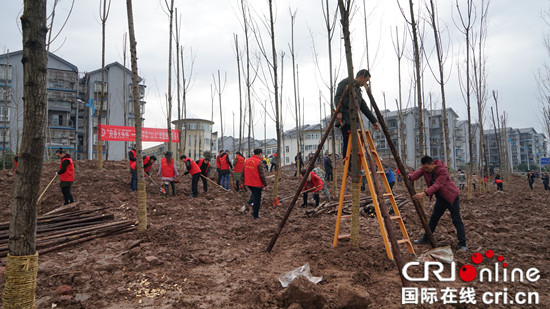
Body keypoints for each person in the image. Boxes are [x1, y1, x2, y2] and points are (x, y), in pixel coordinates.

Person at [409, 156, 467, 251]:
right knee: (434, 218)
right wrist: (409, 177)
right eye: (424, 168)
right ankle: (426, 238)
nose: (425, 170)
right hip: (441, 198)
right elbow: (416, 175)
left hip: (451, 197)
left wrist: (424, 193)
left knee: (456, 220)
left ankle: (462, 244)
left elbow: (437, 185)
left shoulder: (443, 170)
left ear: (432, 164)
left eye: (427, 167)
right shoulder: (425, 168)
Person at [334, 69, 380, 156]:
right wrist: (339, 111)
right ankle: (348, 166)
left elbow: (364, 107)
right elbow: (338, 97)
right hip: (346, 119)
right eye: (366, 81)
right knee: (348, 143)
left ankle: (355, 166)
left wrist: (374, 121)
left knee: (356, 145)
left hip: (355, 121)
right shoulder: (346, 82)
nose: (365, 84)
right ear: (361, 77)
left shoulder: (358, 90)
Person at [243, 148, 268, 220]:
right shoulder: (259, 162)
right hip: (257, 184)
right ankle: (255, 215)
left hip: (248, 183)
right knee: (257, 200)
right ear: (260, 154)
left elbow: (243, 172)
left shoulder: (247, 161)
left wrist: (242, 182)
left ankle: (252, 207)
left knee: (254, 195)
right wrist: (266, 184)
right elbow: (262, 175)